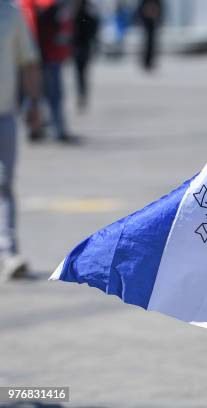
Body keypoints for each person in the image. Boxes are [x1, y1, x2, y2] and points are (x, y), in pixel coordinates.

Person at [0, 0, 42, 282]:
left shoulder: (10, 13)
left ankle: (8, 252)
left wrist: (35, 103)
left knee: (3, 181)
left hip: (4, 114)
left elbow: (27, 60)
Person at [37, 0, 75, 142]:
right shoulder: (50, 6)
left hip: (45, 56)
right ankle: (56, 129)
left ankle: (40, 127)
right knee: (54, 95)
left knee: (45, 95)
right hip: (49, 57)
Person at [72, 0, 98, 111]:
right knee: (81, 74)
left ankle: (82, 95)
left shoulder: (79, 13)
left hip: (82, 46)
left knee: (81, 74)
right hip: (81, 46)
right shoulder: (86, 12)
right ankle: (82, 95)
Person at [137, 0, 162, 71]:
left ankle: (149, 61)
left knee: (151, 41)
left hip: (152, 19)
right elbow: (141, 8)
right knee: (147, 41)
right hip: (147, 19)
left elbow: (159, 7)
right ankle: (146, 61)